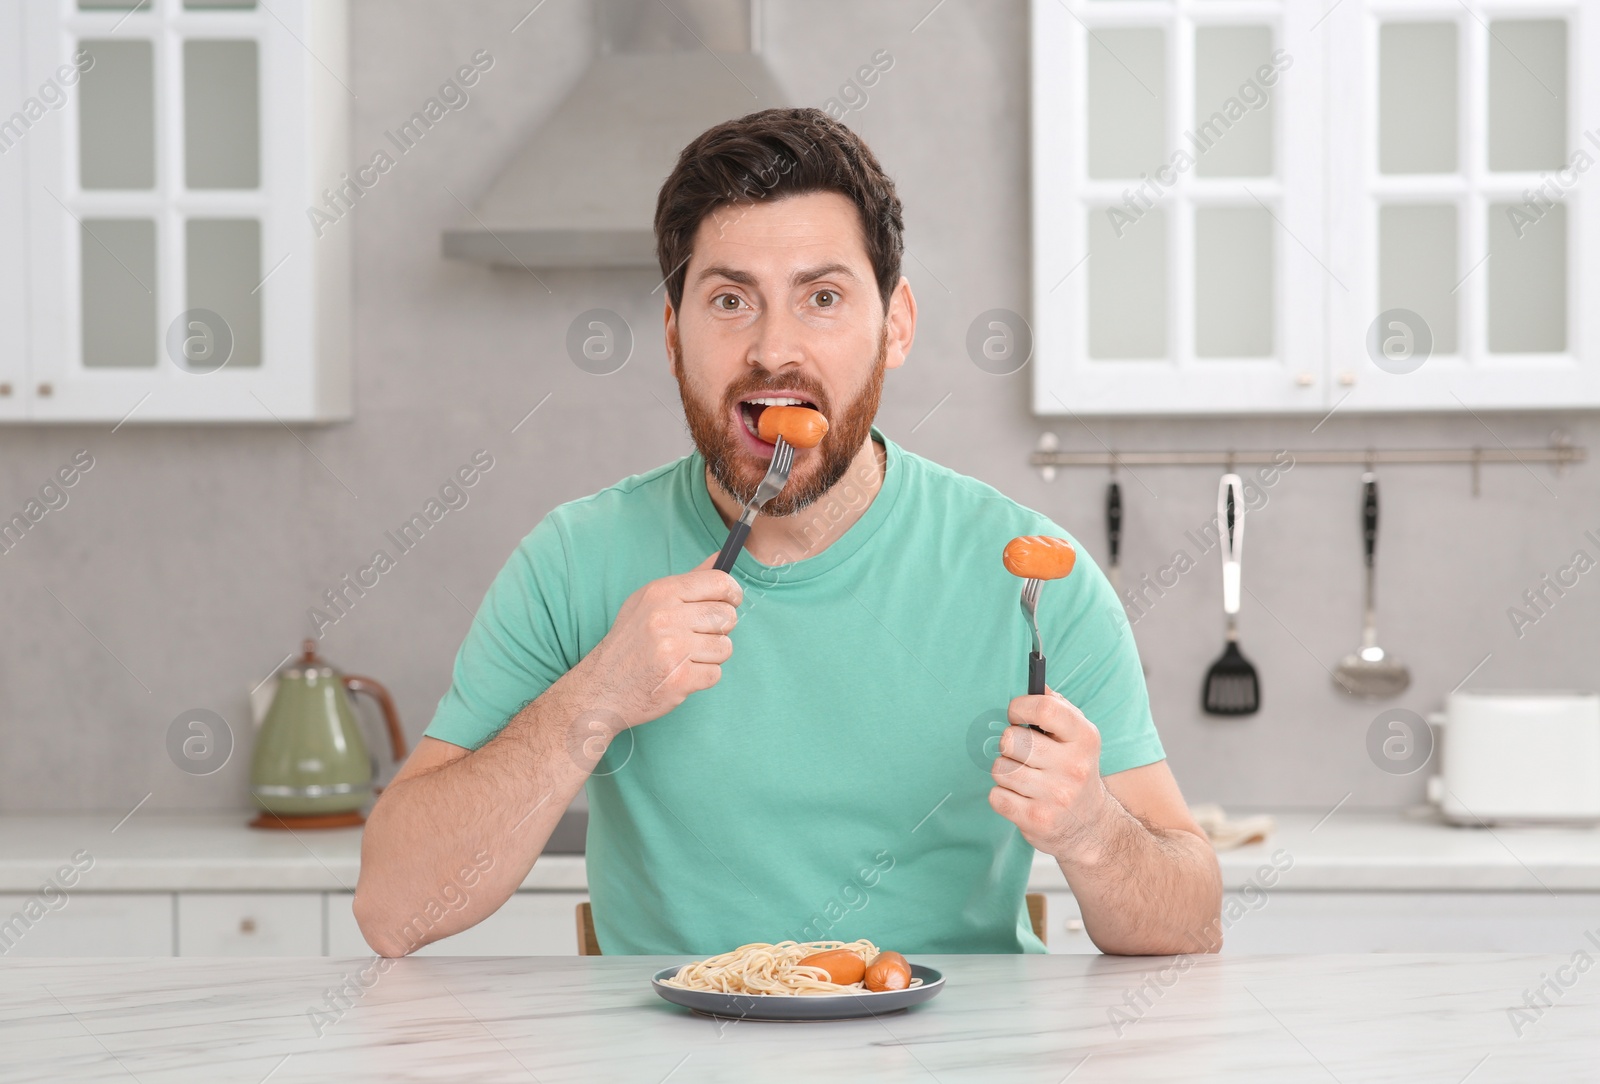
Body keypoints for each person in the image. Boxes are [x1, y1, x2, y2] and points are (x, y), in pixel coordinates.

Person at [355, 107, 1222, 957]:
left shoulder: (1031, 574)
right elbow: (393, 911)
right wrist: (595, 702)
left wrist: (1093, 833)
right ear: (671, 334)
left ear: (897, 326)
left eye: (823, 298)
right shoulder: (574, 561)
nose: (773, 350)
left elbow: (1192, 926)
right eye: (730, 299)